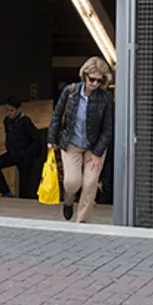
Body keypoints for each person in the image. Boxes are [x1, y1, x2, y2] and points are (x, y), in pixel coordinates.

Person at [47, 56, 114, 223]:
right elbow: (57, 116)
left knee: (90, 184)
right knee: (72, 182)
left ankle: (83, 222)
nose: (95, 84)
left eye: (99, 81)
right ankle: (68, 200)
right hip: (71, 143)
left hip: (94, 146)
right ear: (85, 75)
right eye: (92, 79)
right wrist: (51, 140)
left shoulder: (105, 98)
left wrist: (98, 153)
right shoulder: (70, 91)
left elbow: (108, 128)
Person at [0, 96, 41, 199]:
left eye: (11, 111)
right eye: (7, 110)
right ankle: (5, 191)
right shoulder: (7, 121)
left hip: (24, 157)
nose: (9, 113)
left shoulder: (25, 122)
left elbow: (36, 140)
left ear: (18, 109)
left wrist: (26, 152)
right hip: (13, 153)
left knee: (24, 189)